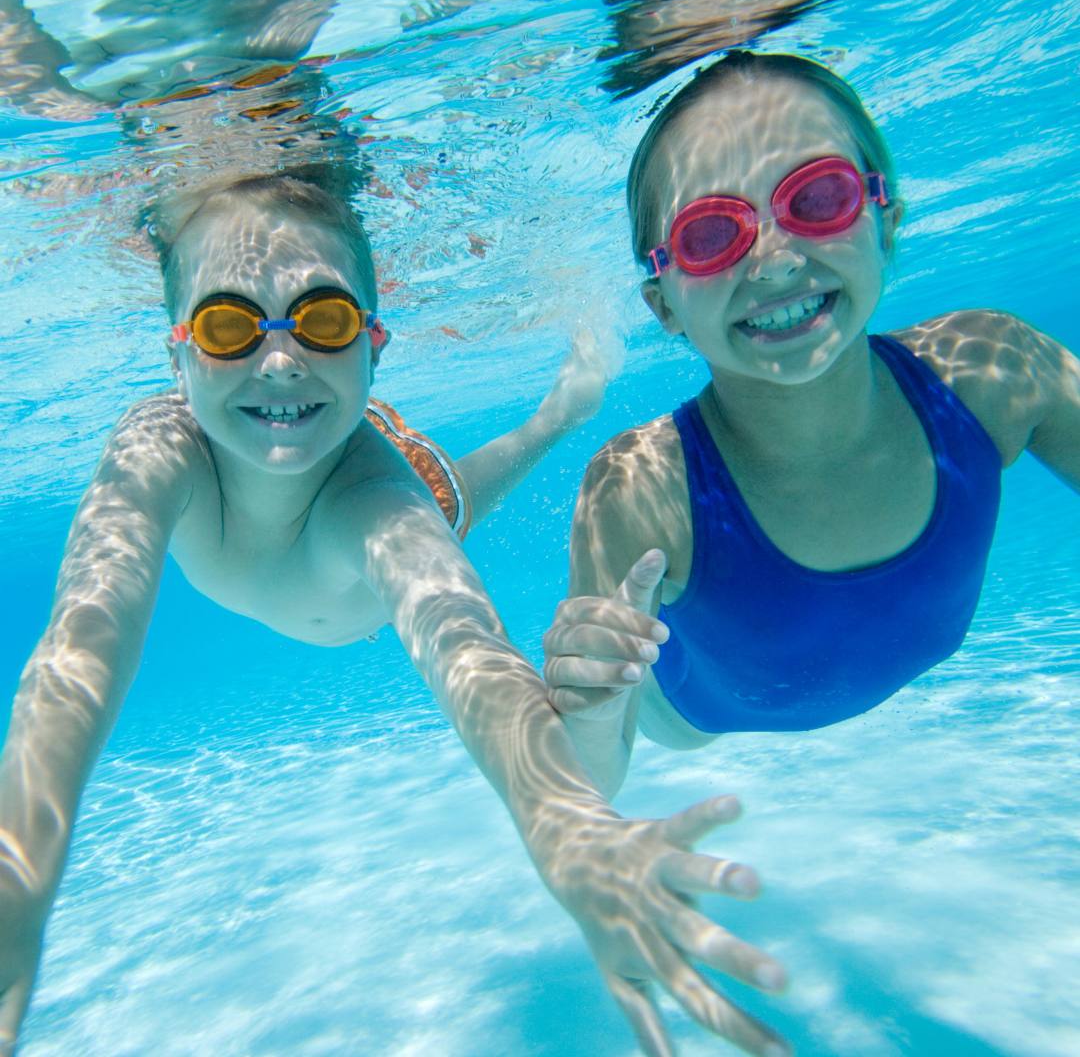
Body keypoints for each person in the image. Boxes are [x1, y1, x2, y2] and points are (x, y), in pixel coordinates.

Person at [0, 168, 792, 1057]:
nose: (280, 357)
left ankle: (563, 409)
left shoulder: (382, 509)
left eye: (325, 320)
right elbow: (84, 639)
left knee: (469, 488)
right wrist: (17, 867)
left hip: (395, 483)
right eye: (229, 326)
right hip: (347, 471)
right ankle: (559, 407)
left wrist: (566, 824)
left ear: (374, 344)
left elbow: (470, 652)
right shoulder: (156, 449)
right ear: (177, 350)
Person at [543, 52, 1079, 806]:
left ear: (885, 216)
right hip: (696, 718)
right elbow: (587, 781)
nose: (772, 261)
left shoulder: (995, 369)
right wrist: (590, 707)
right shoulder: (642, 487)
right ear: (663, 305)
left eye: (817, 197)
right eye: (709, 236)